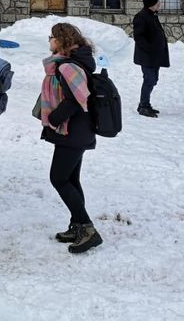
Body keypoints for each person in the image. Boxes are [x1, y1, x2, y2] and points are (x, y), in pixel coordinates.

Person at [36, 22, 103, 254]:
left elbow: (78, 98)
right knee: (71, 179)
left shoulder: (68, 66)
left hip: (73, 131)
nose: (49, 41)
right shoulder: (71, 62)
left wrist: (54, 118)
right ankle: (77, 225)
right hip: (75, 131)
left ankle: (87, 228)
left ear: (61, 40)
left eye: (52, 37)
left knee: (59, 178)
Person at [132, 0, 169, 118]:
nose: (160, 4)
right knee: (149, 79)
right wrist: (149, 49)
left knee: (153, 80)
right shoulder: (141, 17)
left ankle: (144, 103)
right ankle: (144, 106)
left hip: (155, 56)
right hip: (147, 56)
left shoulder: (152, 15)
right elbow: (139, 37)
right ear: (152, 4)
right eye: (158, 2)